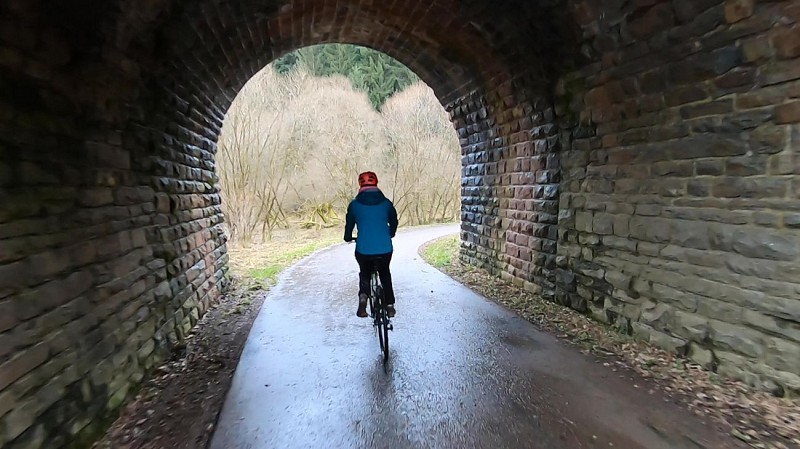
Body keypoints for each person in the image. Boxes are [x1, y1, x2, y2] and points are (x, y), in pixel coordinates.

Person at [343, 171, 399, 318]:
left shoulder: (354, 205)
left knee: (365, 273)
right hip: (385, 248)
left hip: (364, 249)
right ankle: (390, 305)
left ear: (360, 185)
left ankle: (363, 301)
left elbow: (349, 225)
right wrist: (391, 233)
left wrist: (348, 237)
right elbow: (394, 221)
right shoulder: (386, 204)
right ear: (376, 183)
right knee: (385, 273)